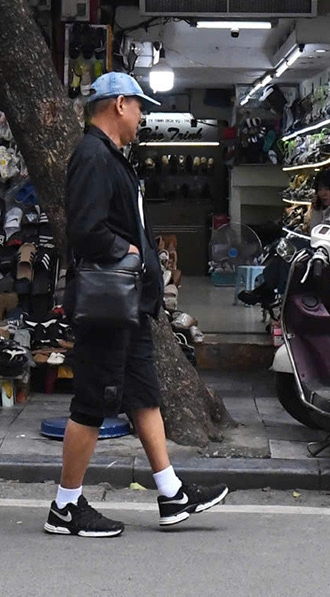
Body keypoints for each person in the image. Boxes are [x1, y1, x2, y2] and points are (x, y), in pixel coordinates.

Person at [46, 72, 227, 539]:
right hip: (107, 305)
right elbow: (86, 230)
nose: (143, 116)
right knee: (91, 403)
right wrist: (128, 252)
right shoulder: (92, 156)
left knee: (144, 393)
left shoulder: (109, 156)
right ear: (119, 104)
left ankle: (171, 494)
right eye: (140, 107)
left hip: (128, 306)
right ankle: (65, 506)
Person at [238, 168, 330, 308]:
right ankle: (268, 290)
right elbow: (314, 231)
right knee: (284, 249)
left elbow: (325, 237)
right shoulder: (329, 209)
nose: (322, 193)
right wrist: (316, 209)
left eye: (326, 189)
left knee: (292, 249)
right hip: (320, 252)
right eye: (320, 189)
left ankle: (269, 290)